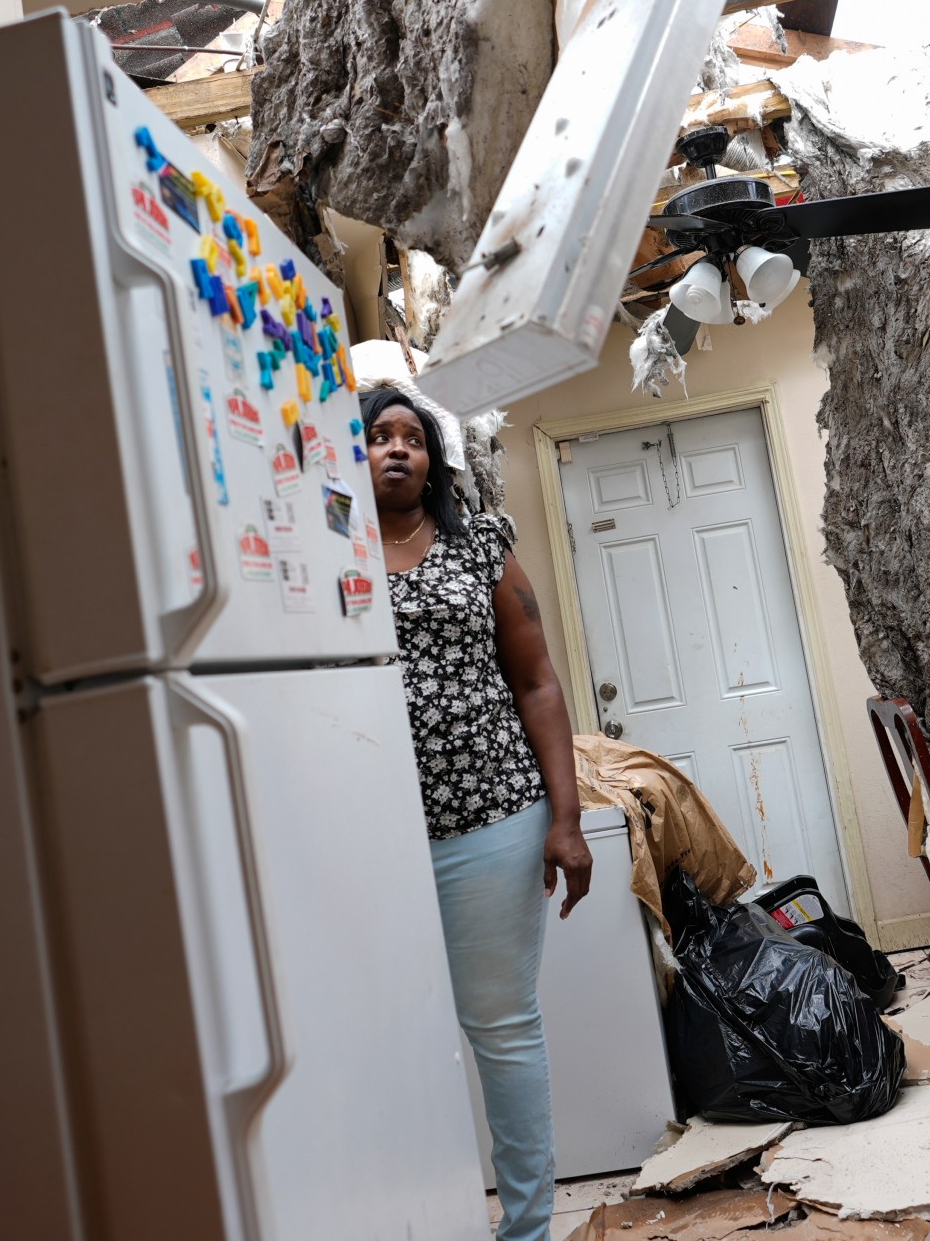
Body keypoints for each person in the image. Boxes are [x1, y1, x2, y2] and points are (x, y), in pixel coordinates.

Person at [361, 384, 590, 1241]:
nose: (395, 450)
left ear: (434, 459)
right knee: (388, 1034)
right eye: (377, 436)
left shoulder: (480, 545)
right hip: (369, 836)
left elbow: (538, 683)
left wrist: (565, 821)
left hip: (491, 818)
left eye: (410, 438)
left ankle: (527, 1229)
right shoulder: (319, 552)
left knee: (500, 1027)